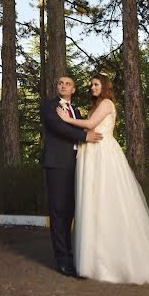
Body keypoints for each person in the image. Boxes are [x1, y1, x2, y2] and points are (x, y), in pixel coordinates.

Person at [56, 73, 149, 284]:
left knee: (105, 200)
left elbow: (91, 123)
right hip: (89, 154)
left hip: (101, 154)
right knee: (92, 204)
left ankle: (112, 259)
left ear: (105, 86)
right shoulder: (97, 104)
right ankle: (92, 261)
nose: (92, 87)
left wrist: (66, 119)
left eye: (96, 84)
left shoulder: (107, 103)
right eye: (91, 85)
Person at [41, 75, 103, 277]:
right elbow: (59, 128)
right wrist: (85, 136)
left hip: (76, 165)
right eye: (60, 83)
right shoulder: (49, 107)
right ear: (57, 86)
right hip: (57, 164)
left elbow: (86, 125)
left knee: (71, 211)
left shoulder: (75, 111)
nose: (64, 86)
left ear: (73, 89)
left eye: (68, 84)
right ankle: (62, 260)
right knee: (58, 211)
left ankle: (73, 255)